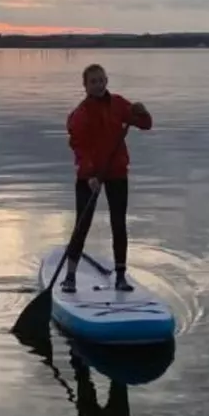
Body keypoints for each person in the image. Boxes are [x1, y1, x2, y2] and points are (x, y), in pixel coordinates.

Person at [62, 63, 152, 293]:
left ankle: (121, 275)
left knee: (119, 223)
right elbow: (79, 147)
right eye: (93, 81)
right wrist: (90, 174)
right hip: (89, 176)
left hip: (116, 172)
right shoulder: (79, 115)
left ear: (106, 81)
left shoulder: (119, 104)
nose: (99, 85)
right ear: (85, 86)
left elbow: (145, 125)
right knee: (82, 224)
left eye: (101, 80)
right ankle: (70, 276)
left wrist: (142, 112)